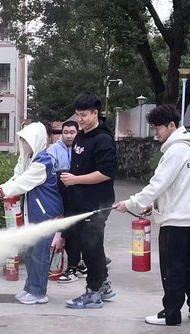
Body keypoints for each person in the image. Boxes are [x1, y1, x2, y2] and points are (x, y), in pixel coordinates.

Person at [114, 104, 190, 326]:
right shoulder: (188, 147)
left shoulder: (176, 151)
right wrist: (153, 204)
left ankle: (171, 314)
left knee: (172, 269)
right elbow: (175, 186)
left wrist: (131, 203)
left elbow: (157, 184)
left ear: (171, 125)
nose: (155, 133)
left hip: (175, 221)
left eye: (157, 128)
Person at [0, 122, 63, 305]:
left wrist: (2, 191)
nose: (23, 144)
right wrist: (1, 188)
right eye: (22, 140)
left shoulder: (43, 162)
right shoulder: (28, 159)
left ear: (36, 140)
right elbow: (16, 176)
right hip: (35, 214)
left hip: (45, 215)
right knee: (31, 253)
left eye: (26, 141)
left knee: (39, 254)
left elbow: (22, 183)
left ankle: (39, 293)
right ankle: (30, 288)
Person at [60, 92, 117, 309]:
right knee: (92, 246)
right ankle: (103, 286)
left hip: (96, 204)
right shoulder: (81, 136)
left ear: (95, 113)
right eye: (77, 115)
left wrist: (75, 180)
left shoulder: (103, 139)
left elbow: (106, 173)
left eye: (83, 115)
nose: (79, 119)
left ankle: (93, 293)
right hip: (80, 202)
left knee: (91, 248)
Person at [46, 120, 88, 282]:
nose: (69, 136)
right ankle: (73, 266)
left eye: (72, 132)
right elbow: (49, 172)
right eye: (66, 132)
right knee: (67, 229)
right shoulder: (53, 150)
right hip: (61, 194)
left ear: (77, 133)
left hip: (80, 193)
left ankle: (76, 266)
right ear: (61, 134)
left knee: (77, 229)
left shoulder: (82, 148)